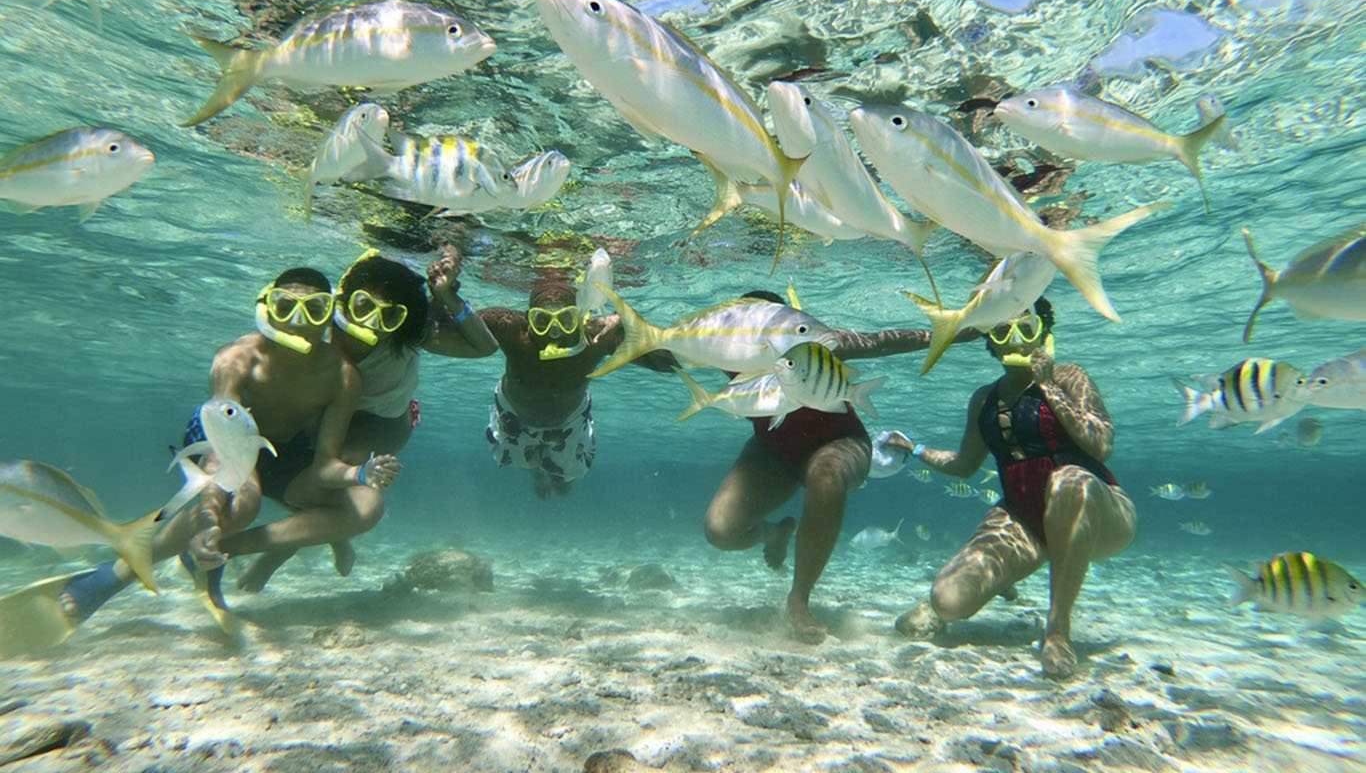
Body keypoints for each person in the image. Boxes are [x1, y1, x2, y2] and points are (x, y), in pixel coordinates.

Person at [33, 266, 367, 636]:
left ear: (329, 316)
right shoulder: (236, 360)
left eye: (315, 309)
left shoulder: (342, 375)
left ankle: (210, 553)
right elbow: (221, 452)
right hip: (226, 443)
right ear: (266, 310)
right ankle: (115, 575)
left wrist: (359, 476)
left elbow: (325, 458)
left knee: (359, 505)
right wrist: (211, 517)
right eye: (285, 306)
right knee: (238, 506)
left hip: (283, 452)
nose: (298, 321)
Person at [702, 290, 979, 645]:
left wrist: (961, 330)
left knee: (827, 475)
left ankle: (799, 600)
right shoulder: (719, 349)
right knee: (721, 531)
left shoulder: (812, 343)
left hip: (841, 442)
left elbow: (882, 342)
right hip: (772, 452)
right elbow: (660, 352)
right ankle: (774, 533)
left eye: (762, 323)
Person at [881, 297, 1136, 679]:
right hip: (1026, 519)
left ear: (1043, 333)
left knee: (1068, 482)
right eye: (1002, 330)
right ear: (990, 339)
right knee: (947, 601)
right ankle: (1006, 578)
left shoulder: (1070, 377)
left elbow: (1102, 445)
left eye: (1026, 329)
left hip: (1101, 513)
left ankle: (1057, 630)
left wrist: (1048, 386)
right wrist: (914, 448)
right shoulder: (984, 399)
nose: (1015, 340)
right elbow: (964, 465)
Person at [229, 245, 497, 592]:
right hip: (326, 417)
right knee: (306, 489)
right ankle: (335, 536)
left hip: (381, 424)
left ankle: (269, 553)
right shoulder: (318, 321)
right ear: (344, 301)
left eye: (387, 315)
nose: (371, 321)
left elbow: (485, 347)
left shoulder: (404, 334)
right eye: (362, 306)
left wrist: (447, 297)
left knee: (321, 485)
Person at [479, 275, 673, 499]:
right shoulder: (510, 328)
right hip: (514, 416)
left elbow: (668, 361)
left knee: (563, 485)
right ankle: (535, 470)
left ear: (580, 317)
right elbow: (456, 324)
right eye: (542, 321)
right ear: (528, 319)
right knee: (524, 462)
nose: (554, 332)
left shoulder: (598, 336)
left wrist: (629, 321)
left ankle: (546, 470)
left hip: (569, 421)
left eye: (566, 319)